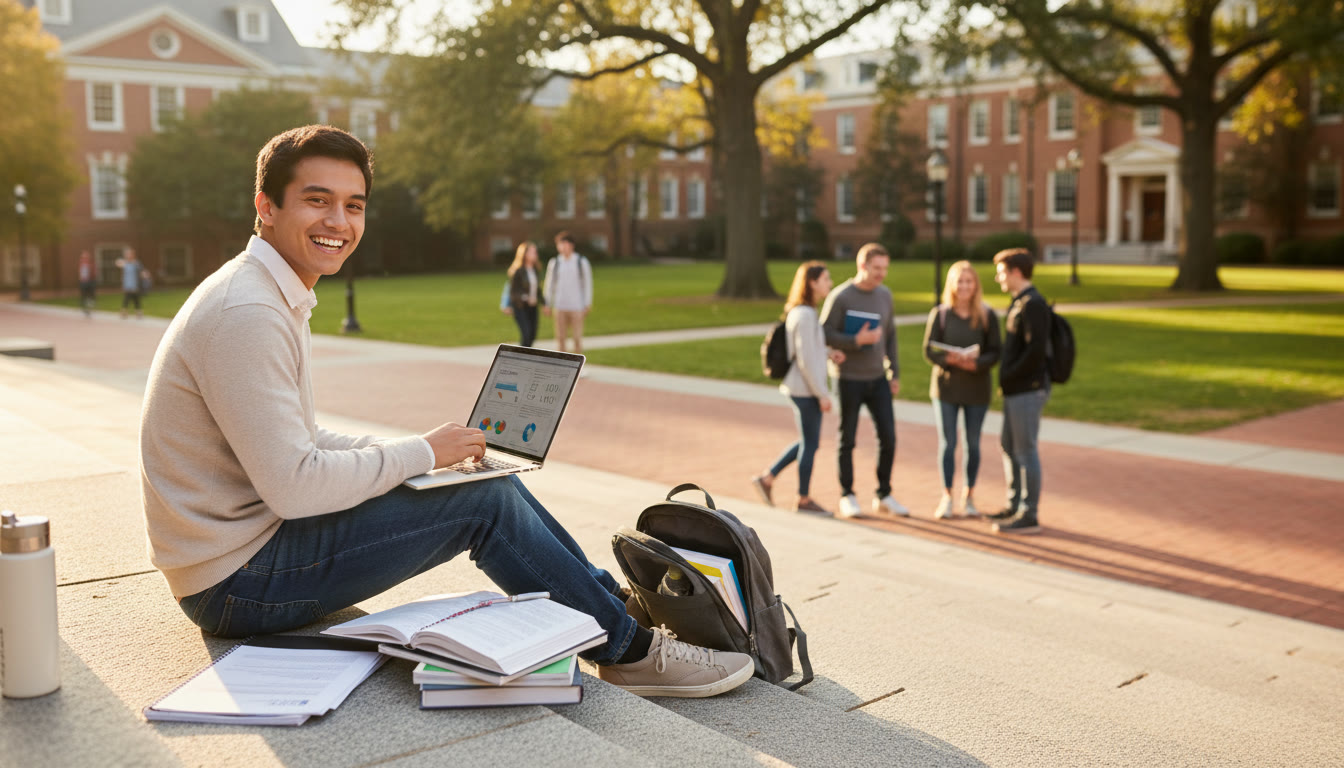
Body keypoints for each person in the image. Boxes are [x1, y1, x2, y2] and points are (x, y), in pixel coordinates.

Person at [139, 125, 753, 699]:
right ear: (266, 205)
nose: (339, 221)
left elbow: (300, 441)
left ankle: (614, 605)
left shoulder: (264, 290)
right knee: (481, 504)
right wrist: (421, 456)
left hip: (243, 553)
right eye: (318, 200)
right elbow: (296, 486)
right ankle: (629, 651)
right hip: (237, 584)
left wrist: (428, 454)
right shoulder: (248, 312)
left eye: (354, 206)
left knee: (486, 480)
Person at [820, 242, 910, 520]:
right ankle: (847, 495)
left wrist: (894, 372)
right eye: (877, 268)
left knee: (889, 437)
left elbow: (890, 335)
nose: (882, 273)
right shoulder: (841, 297)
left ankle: (883, 494)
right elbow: (822, 333)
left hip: (877, 378)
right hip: (848, 379)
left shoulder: (885, 295)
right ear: (862, 266)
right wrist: (855, 341)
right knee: (847, 439)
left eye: (885, 268)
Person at [751, 261, 845, 516]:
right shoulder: (804, 315)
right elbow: (804, 359)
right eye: (826, 279)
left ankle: (767, 478)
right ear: (812, 283)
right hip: (804, 389)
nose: (830, 283)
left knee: (808, 441)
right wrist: (822, 395)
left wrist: (829, 352)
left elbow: (810, 349)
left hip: (802, 388)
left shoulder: (805, 312)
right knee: (810, 444)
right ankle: (803, 499)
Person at [921, 261, 1001, 520]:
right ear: (952, 285)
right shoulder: (941, 314)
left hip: (977, 388)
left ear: (975, 285)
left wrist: (976, 363)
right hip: (946, 388)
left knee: (973, 444)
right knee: (948, 443)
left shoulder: (987, 315)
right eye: (960, 281)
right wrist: (949, 360)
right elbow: (928, 350)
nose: (964, 286)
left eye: (969, 281)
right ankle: (946, 495)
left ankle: (969, 496)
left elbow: (996, 352)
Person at [989, 248, 1051, 535]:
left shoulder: (1033, 304)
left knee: (1025, 450)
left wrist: (1011, 374)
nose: (997, 277)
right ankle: (1015, 503)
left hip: (1028, 389)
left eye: (1001, 272)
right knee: (1009, 445)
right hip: (1015, 390)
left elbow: (1037, 351)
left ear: (1016, 272)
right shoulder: (1019, 301)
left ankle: (1030, 512)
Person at [542, 232, 592, 353]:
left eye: (565, 244)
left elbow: (587, 284)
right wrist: (546, 303)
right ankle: (561, 369)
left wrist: (587, 303)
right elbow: (549, 284)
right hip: (560, 306)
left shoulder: (581, 262)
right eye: (560, 244)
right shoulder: (555, 263)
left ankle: (579, 367)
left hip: (577, 306)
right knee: (560, 338)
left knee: (577, 338)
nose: (563, 247)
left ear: (571, 245)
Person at [503, 241, 545, 347]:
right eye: (532, 252)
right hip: (520, 307)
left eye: (535, 252)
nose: (535, 255)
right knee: (526, 334)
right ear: (524, 254)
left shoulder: (535, 270)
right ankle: (521, 358)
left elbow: (537, 289)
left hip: (533, 307)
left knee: (532, 335)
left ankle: (526, 357)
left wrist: (544, 303)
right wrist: (525, 298)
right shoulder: (518, 271)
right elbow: (513, 291)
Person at [117, 249, 147, 319]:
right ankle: (124, 312)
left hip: (135, 284)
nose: (129, 256)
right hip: (127, 284)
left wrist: (144, 276)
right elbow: (118, 263)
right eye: (127, 254)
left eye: (130, 254)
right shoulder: (125, 264)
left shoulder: (136, 263)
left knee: (136, 299)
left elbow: (141, 272)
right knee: (126, 298)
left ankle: (138, 313)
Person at [77, 251, 96, 318]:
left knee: (90, 296)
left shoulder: (91, 264)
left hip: (90, 281)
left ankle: (89, 308)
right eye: (83, 257)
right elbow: (80, 273)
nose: (84, 258)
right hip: (83, 282)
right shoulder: (81, 264)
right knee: (83, 296)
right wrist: (81, 280)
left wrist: (92, 280)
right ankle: (85, 309)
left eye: (86, 257)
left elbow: (94, 273)